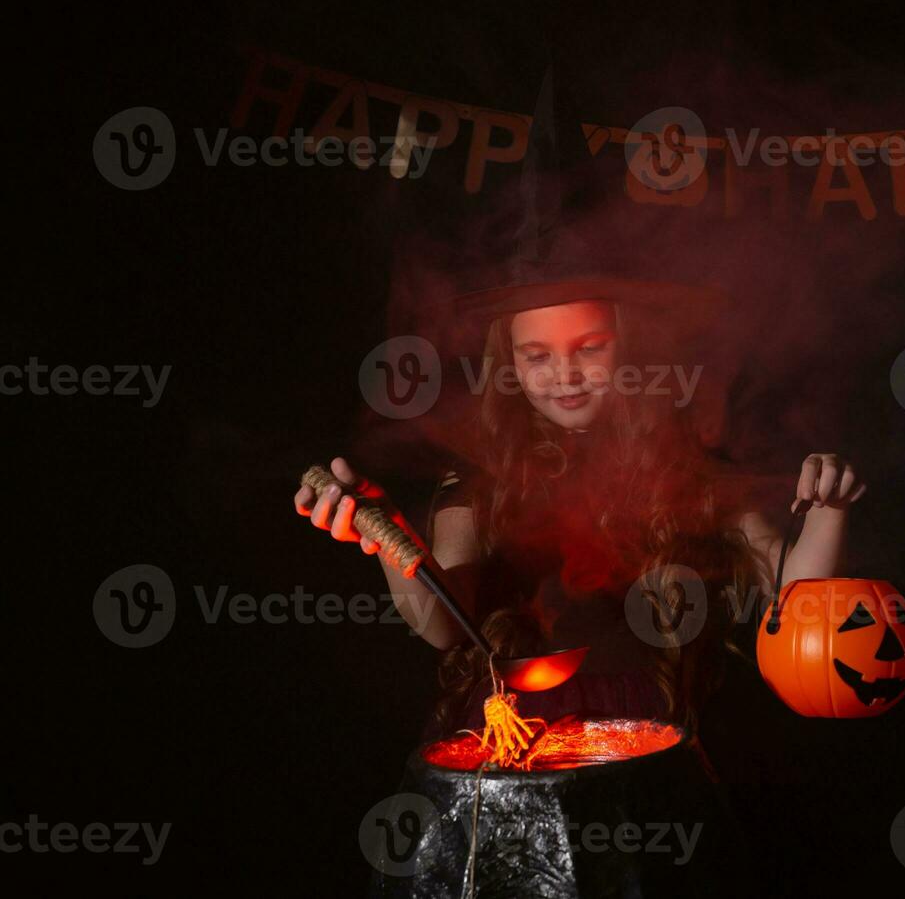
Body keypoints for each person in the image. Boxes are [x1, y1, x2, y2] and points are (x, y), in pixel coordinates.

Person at [295, 296, 865, 737]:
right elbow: (444, 623)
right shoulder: (480, 479)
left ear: (630, 347)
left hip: (647, 728)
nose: (563, 373)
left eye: (590, 347)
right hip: (513, 735)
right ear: (510, 363)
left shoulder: (689, 467)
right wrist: (385, 530)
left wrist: (828, 511)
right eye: (536, 355)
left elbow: (798, 597)